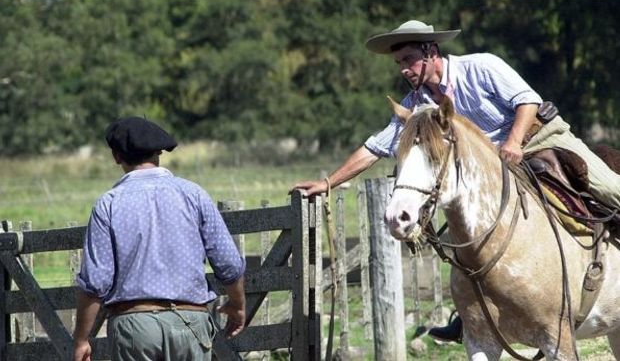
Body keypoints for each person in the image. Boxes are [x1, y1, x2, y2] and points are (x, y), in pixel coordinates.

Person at [292, 20, 620, 342]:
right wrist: (329, 182)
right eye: (398, 63)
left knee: (609, 187)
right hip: (489, 168)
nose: (403, 69)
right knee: (467, 230)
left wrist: (514, 142)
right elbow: (375, 147)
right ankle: (473, 315)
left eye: (408, 59)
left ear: (431, 51)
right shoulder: (417, 106)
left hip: (538, 139)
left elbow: (528, 101)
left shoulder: (482, 66)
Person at [73, 116, 246, 361]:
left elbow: (95, 281)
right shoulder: (193, 194)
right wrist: (238, 305)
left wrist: (81, 339)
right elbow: (228, 262)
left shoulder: (108, 204)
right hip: (190, 323)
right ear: (159, 152)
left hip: (134, 326)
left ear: (116, 157)